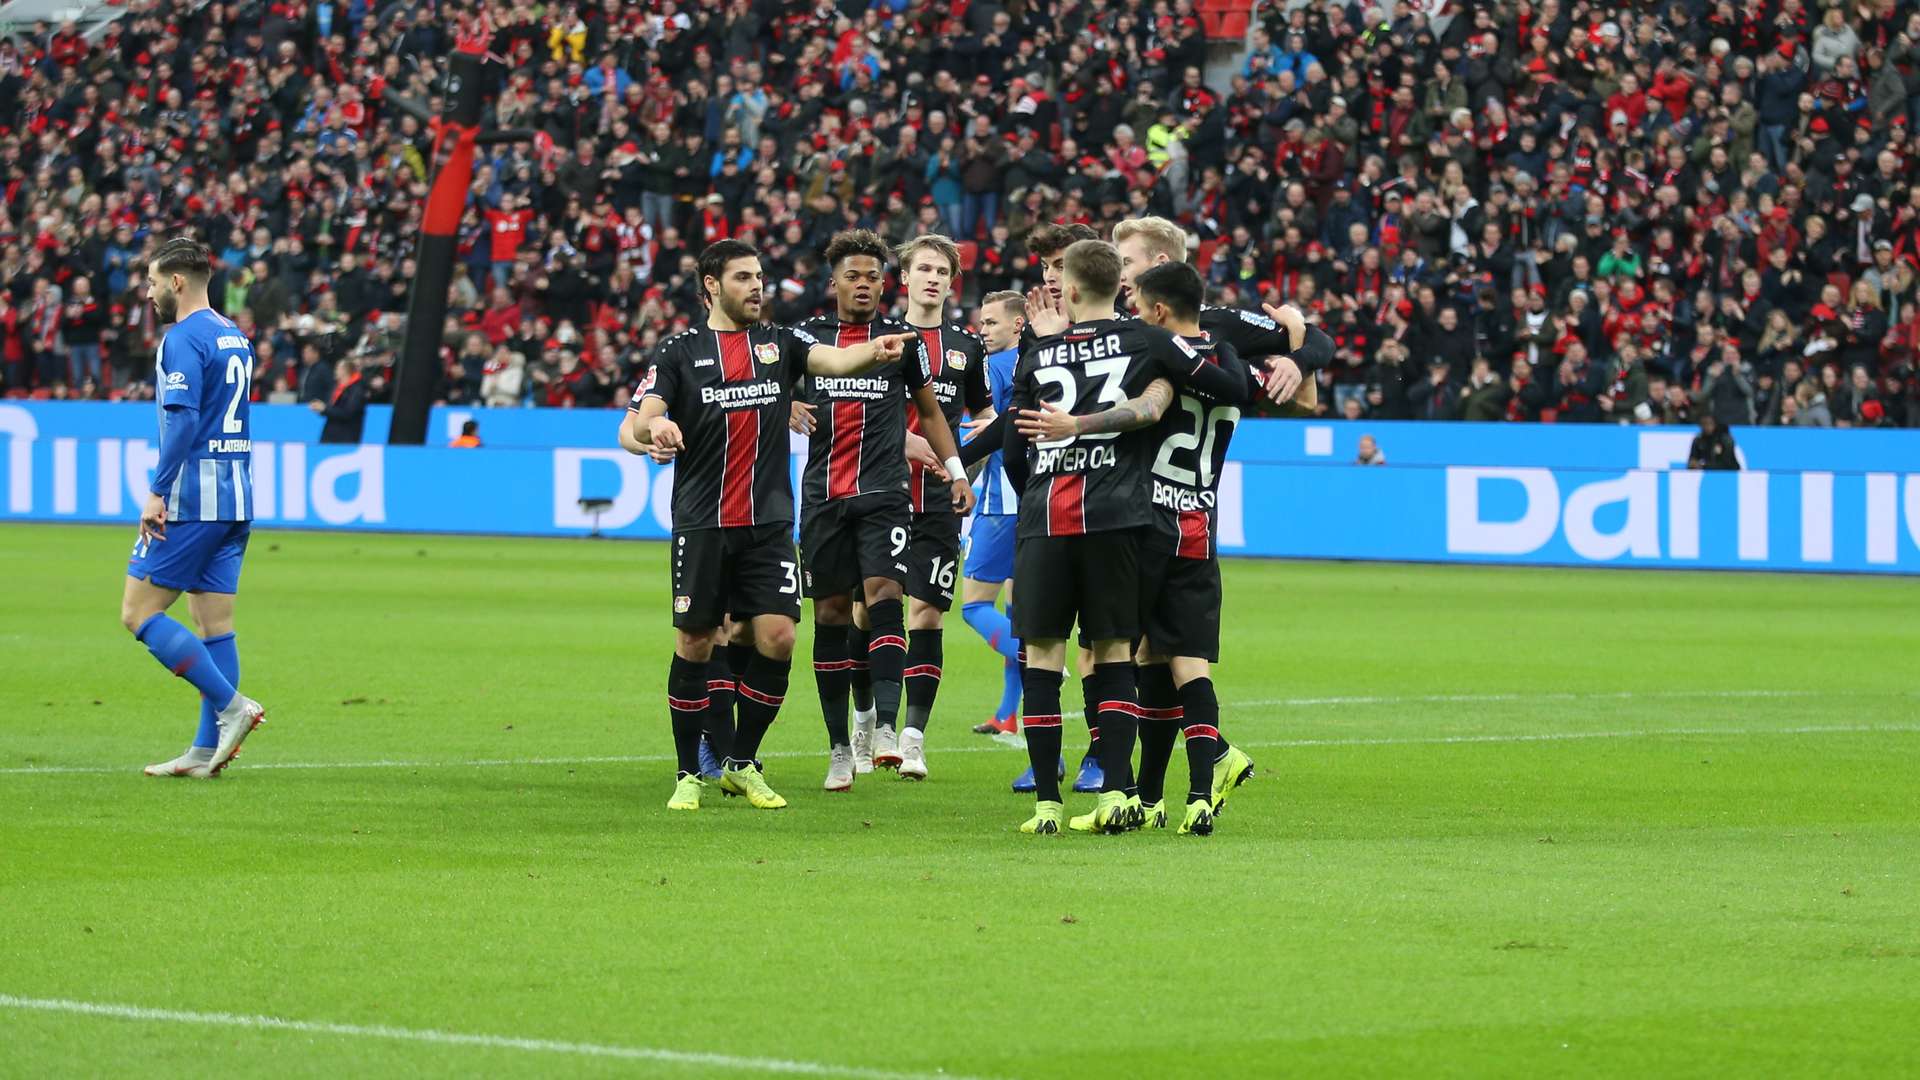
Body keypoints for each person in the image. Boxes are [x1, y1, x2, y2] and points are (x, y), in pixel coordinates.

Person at [623, 238, 914, 812]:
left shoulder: (781, 344)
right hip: (704, 522)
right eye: (742, 278)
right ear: (711, 284)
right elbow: (634, 423)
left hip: (770, 524)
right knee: (696, 642)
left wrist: (873, 351)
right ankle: (689, 773)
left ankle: (741, 762)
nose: (757, 287)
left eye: (759, 277)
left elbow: (833, 362)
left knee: (778, 637)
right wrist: (650, 435)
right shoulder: (680, 352)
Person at [998, 239, 1250, 835]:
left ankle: (1047, 807)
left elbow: (1014, 450)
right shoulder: (1151, 341)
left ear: (1072, 290)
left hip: (1047, 517)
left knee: (1043, 658)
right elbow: (1214, 387)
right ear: (1121, 289)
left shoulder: (1037, 355)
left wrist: (1042, 486)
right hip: (1120, 517)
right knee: (1115, 652)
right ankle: (1118, 792)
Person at [789, 229, 973, 790]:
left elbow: (932, 412)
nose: (864, 284)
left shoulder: (901, 339)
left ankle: (889, 729)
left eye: (873, 276)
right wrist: (786, 406)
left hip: (885, 494)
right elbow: (762, 392)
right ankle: (840, 745)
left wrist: (958, 471)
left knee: (886, 595)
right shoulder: (804, 340)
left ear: (884, 283)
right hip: (823, 497)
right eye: (853, 276)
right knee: (830, 616)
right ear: (834, 283)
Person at [122, 238, 268, 779]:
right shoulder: (234, 335)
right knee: (214, 623)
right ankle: (207, 750)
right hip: (237, 496)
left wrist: (158, 490)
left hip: (193, 498)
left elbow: (183, 421)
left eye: (154, 281)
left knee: (138, 613)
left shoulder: (181, 338)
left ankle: (233, 708)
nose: (150, 290)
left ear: (177, 282)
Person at [894, 235, 992, 780]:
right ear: (904, 277)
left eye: (942, 272)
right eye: (923, 268)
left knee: (926, 612)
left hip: (938, 498)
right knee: (869, 612)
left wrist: (962, 464)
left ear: (951, 284)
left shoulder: (966, 346)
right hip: (879, 491)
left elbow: (983, 415)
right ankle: (869, 726)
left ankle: (912, 738)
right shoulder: (878, 340)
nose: (932, 278)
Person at [958, 292, 1031, 745]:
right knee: (1016, 610)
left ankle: (1038, 659)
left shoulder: (1000, 366)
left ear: (1018, 325)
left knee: (973, 606)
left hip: (1004, 498)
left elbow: (1003, 424)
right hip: (1030, 497)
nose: (983, 330)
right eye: (981, 323)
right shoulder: (1029, 363)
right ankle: (1007, 713)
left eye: (992, 323)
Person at [312, 358, 371, 443]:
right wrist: (320, 408)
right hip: (329, 435)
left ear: (345, 371)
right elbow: (330, 408)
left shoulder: (357, 390)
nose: (335, 371)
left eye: (337, 368)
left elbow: (348, 413)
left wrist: (325, 409)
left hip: (347, 436)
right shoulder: (335, 388)